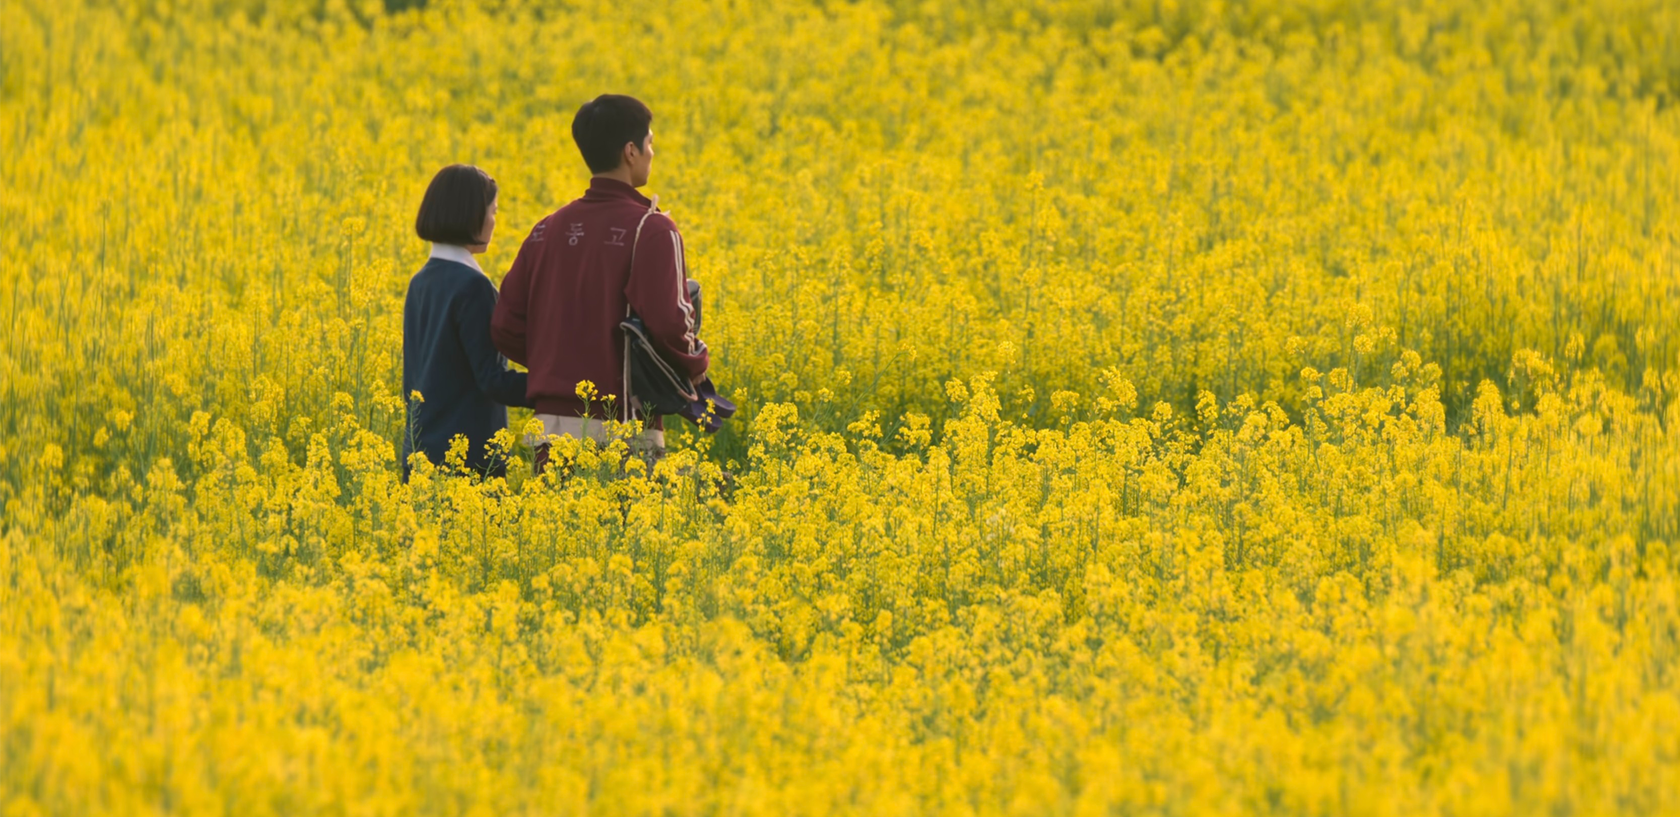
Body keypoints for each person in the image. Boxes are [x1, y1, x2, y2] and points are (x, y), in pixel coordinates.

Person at [491, 94, 707, 473]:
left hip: (550, 430)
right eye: (650, 143)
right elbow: (670, 322)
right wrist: (695, 362)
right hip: (623, 426)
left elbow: (505, 326)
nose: (652, 152)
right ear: (630, 151)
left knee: (558, 514)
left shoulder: (545, 230)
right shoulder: (653, 229)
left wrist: (556, 364)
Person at [402, 164, 532, 479]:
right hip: (467, 464)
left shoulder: (420, 281)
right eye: (493, 211)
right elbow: (492, 380)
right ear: (471, 215)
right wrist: (554, 385)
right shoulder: (473, 287)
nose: (494, 221)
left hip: (419, 455)